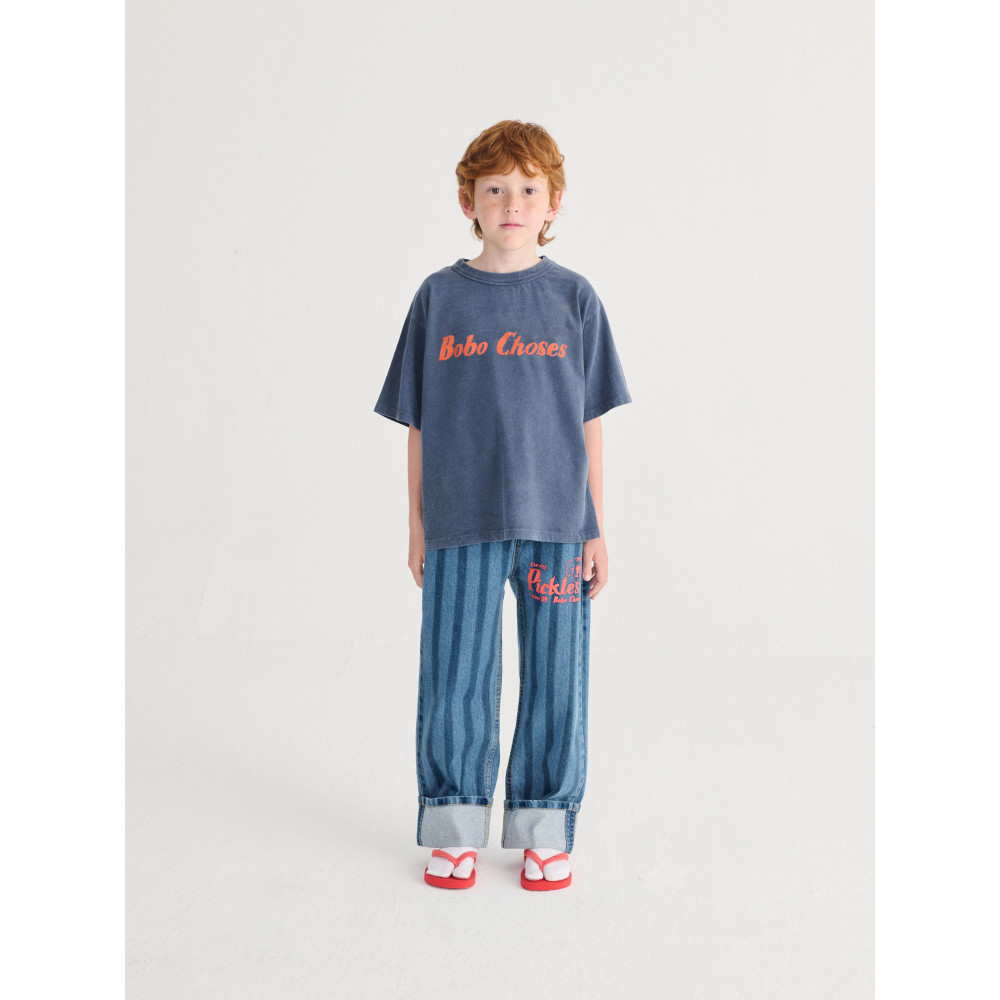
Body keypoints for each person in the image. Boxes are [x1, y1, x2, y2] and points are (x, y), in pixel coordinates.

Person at [373, 120, 632, 891]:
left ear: (553, 201)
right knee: (454, 675)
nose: (511, 203)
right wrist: (417, 523)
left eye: (527, 189)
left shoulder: (574, 299)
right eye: (494, 190)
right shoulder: (439, 298)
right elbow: (418, 423)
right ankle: (453, 825)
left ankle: (544, 827)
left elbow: (589, 422)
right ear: (469, 203)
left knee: (557, 677)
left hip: (558, 526)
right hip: (461, 524)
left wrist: (595, 527)